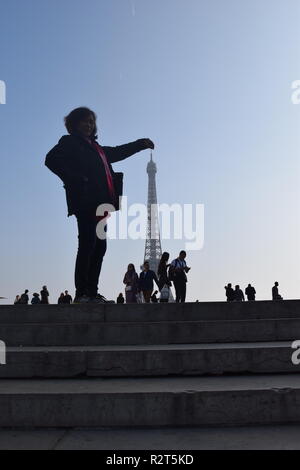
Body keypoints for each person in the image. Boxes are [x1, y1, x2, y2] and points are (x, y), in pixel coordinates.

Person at [45, 107, 154, 304]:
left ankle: (92, 292)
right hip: (86, 202)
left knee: (99, 247)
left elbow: (119, 152)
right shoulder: (70, 142)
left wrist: (139, 144)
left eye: (91, 122)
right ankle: (82, 293)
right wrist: (76, 179)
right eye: (84, 121)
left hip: (102, 206)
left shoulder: (98, 149)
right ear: (74, 124)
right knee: (88, 245)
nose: (88, 125)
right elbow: (51, 160)